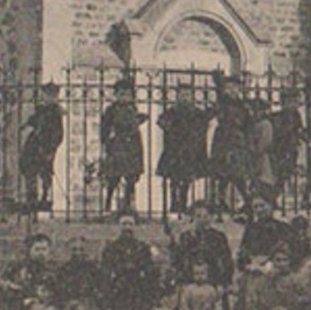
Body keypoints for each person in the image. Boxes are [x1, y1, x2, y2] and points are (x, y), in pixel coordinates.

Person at [168, 199, 234, 310]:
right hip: (191, 285)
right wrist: (180, 284)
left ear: (211, 217)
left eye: (206, 216)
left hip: (213, 284)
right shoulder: (186, 237)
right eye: (198, 216)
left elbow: (227, 262)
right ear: (193, 217)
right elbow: (178, 261)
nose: (202, 220)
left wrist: (223, 283)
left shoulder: (218, 237)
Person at [100, 211, 160, 310]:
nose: (127, 227)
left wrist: (153, 302)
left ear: (135, 227)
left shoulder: (143, 249)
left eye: (130, 224)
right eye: (124, 224)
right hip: (119, 300)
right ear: (118, 226)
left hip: (140, 300)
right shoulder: (110, 249)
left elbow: (151, 278)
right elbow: (105, 279)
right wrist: (107, 306)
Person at [243, 240, 311, 310]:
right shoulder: (263, 280)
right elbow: (257, 299)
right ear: (272, 261)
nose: (281, 264)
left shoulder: (296, 279)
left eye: (284, 260)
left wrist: (290, 306)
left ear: (290, 262)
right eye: (277, 260)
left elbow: (307, 297)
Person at [157, 82, 212, 214]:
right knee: (174, 178)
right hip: (174, 150)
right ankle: (173, 203)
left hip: (190, 150)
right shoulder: (171, 112)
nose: (185, 97)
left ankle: (183, 201)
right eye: (182, 94)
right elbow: (162, 122)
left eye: (188, 94)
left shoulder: (197, 113)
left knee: (187, 178)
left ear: (192, 97)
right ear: (177, 96)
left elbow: (205, 124)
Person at [0, 234, 57, 310]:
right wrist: (26, 302)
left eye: (44, 249)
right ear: (29, 251)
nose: (41, 253)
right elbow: (5, 289)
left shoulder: (54, 271)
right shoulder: (17, 269)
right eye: (37, 249)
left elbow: (57, 294)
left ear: (49, 251)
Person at [208, 75, 255, 219]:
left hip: (237, 142)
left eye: (234, 87)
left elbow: (249, 124)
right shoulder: (221, 103)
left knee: (238, 175)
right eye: (228, 87)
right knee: (222, 175)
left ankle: (246, 202)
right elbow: (216, 111)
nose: (232, 90)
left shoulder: (243, 106)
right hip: (223, 141)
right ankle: (220, 202)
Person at [100, 78, 148, 214]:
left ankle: (127, 204)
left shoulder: (133, 109)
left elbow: (135, 125)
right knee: (113, 177)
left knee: (131, 177)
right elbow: (104, 128)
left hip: (132, 146)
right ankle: (108, 203)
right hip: (117, 145)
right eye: (121, 94)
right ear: (116, 95)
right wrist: (106, 141)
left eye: (128, 94)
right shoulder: (111, 110)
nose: (125, 97)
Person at [21, 82, 64, 212]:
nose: (47, 98)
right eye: (46, 95)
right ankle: (31, 198)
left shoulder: (56, 113)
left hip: (46, 145)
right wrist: (26, 125)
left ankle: (45, 197)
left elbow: (58, 133)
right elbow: (33, 120)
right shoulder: (41, 110)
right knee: (29, 169)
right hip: (34, 144)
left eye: (51, 95)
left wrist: (51, 148)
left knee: (45, 172)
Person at [56, 237, 104, 310]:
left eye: (81, 249)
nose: (78, 253)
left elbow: (100, 289)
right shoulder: (63, 270)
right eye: (74, 249)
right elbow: (59, 292)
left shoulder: (94, 269)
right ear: (69, 251)